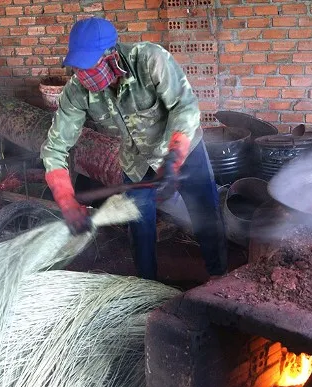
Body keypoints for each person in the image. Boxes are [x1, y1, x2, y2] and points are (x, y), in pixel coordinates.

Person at [39, 16, 227, 282]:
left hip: (183, 148)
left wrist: (173, 159)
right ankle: (146, 289)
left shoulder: (150, 59)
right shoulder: (76, 91)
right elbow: (55, 148)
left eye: (88, 67)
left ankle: (218, 278)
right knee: (140, 228)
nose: (82, 76)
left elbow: (184, 107)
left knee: (205, 214)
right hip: (136, 163)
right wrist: (66, 200)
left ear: (111, 56)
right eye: (77, 68)